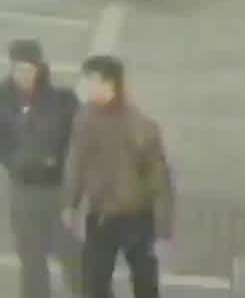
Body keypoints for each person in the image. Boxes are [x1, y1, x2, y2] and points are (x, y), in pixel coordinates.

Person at [63, 55, 173, 297]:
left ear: (111, 83)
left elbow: (160, 181)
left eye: (93, 81)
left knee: (144, 283)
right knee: (94, 283)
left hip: (136, 216)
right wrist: (70, 204)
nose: (88, 87)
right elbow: (76, 164)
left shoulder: (139, 126)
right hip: (100, 214)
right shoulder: (84, 118)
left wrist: (163, 230)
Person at [0, 40, 78, 298]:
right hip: (22, 188)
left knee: (70, 251)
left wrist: (59, 161)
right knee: (31, 255)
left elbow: (77, 138)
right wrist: (12, 160)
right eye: (18, 69)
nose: (24, 75)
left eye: (29, 69)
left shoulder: (61, 98)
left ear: (39, 68)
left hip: (57, 187)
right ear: (11, 68)